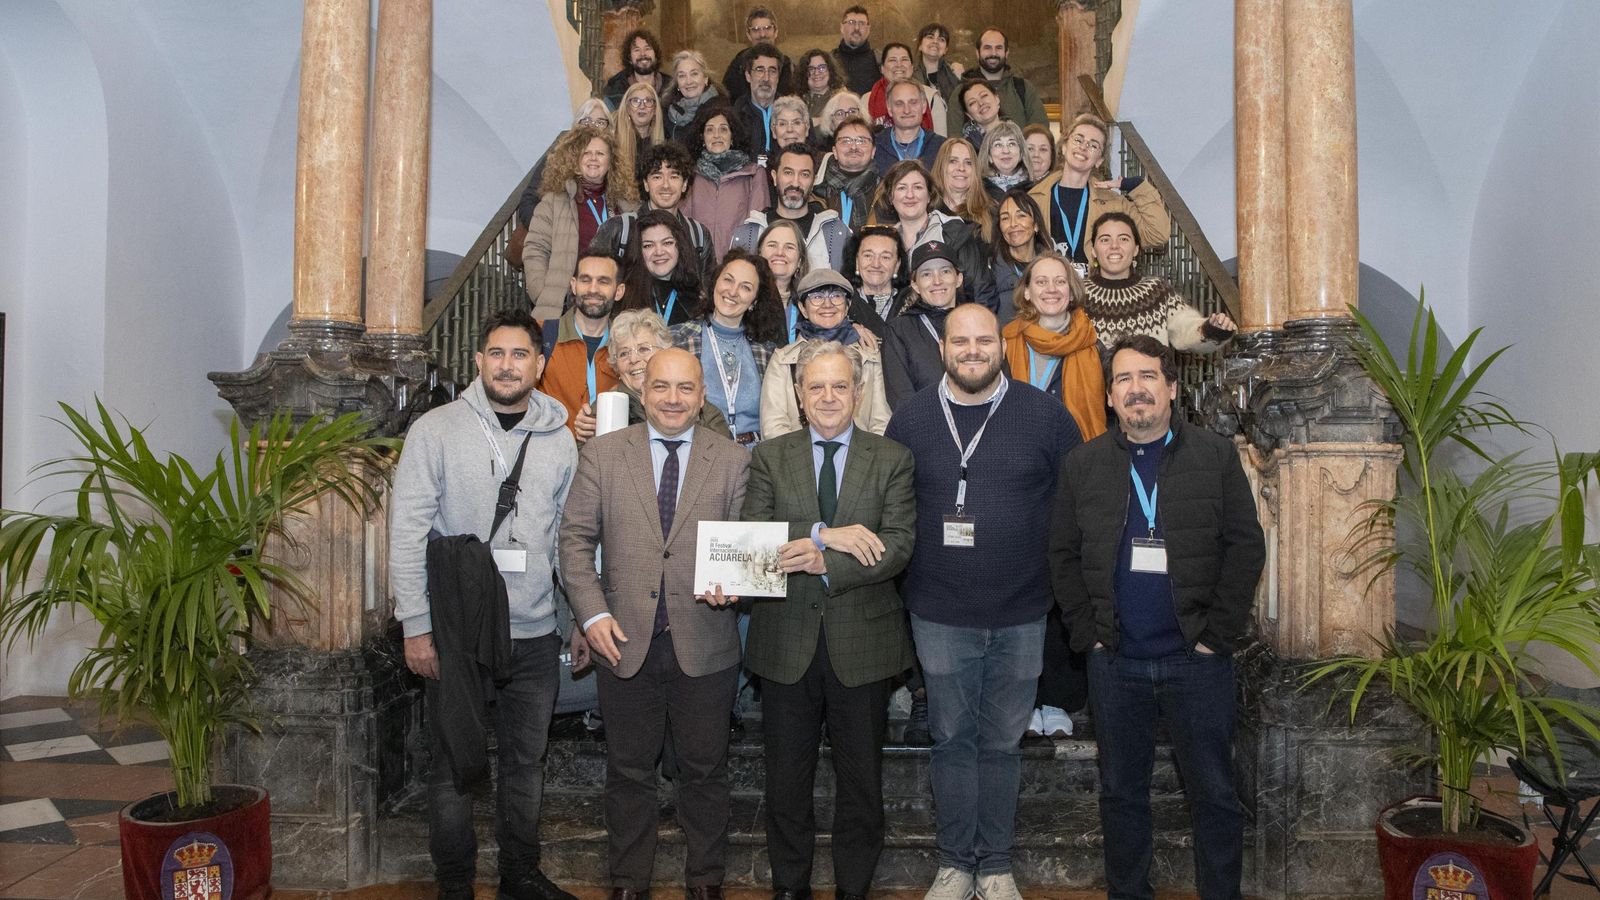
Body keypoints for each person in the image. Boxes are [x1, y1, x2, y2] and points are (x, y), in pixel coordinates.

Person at [1049, 334, 1265, 900]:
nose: (1136, 389)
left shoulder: (1214, 456)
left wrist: (1216, 637)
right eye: (1123, 379)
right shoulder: (1083, 464)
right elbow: (1063, 555)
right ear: (1109, 397)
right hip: (1115, 662)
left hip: (1197, 661)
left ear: (1171, 388)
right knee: (1121, 794)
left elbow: (1245, 547)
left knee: (1215, 794)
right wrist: (1089, 636)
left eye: (1148, 376)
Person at [883, 304, 1081, 900]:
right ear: (943, 349)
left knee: (1001, 743)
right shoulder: (911, 419)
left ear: (1002, 345)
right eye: (961, 341)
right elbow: (894, 513)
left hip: (1022, 612)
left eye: (984, 340)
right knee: (951, 741)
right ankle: (954, 865)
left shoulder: (1047, 417)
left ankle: (993, 866)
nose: (973, 350)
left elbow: (1072, 513)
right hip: (939, 612)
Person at [390, 309, 581, 900]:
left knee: (527, 763)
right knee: (454, 764)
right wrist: (416, 626)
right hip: (458, 632)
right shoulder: (436, 430)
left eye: (520, 354)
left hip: (534, 632)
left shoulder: (561, 439)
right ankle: (455, 883)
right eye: (496, 353)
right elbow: (407, 532)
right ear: (478, 361)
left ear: (539, 365)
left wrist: (577, 618)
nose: (507, 365)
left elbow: (567, 539)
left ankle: (519, 875)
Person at [558, 348, 751, 900]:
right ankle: (628, 884)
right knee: (628, 771)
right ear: (642, 392)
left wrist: (739, 581)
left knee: (706, 772)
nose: (672, 398)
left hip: (706, 640)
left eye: (685, 388)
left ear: (702, 396)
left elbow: (746, 542)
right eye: (661, 386)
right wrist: (592, 613)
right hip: (622, 639)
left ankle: (706, 882)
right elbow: (574, 541)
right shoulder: (603, 454)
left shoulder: (733, 460)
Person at [741, 339, 916, 900]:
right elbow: (755, 538)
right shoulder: (769, 456)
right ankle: (789, 888)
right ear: (798, 393)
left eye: (840, 385)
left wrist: (822, 561)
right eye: (816, 386)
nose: (828, 397)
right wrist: (825, 534)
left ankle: (852, 889)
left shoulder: (892, 458)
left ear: (859, 392)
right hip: (784, 641)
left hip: (864, 644)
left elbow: (897, 545)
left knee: (861, 783)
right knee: (785, 782)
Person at [522, 127, 640, 320]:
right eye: (586, 153)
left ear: (611, 162)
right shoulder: (553, 201)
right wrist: (543, 293)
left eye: (600, 153)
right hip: (563, 308)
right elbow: (535, 249)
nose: (593, 158)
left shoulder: (629, 206)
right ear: (575, 161)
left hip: (617, 310)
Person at [672, 250, 786, 447]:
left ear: (754, 301)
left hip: (755, 455)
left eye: (745, 287)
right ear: (715, 282)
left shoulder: (767, 353)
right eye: (728, 280)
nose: (733, 292)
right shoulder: (676, 339)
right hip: (697, 451)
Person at [760, 269, 892, 438]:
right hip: (795, 453)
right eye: (817, 297)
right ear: (803, 308)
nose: (827, 304)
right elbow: (773, 427)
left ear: (847, 307)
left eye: (836, 296)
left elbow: (882, 423)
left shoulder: (870, 356)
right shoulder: (783, 360)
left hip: (861, 453)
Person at [1084, 211, 1237, 352]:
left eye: (1124, 239)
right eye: (1105, 240)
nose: (1114, 246)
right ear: (1093, 250)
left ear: (1136, 249)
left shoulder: (1156, 291)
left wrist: (1210, 329)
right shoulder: (1077, 294)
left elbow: (1185, 326)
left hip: (1150, 374)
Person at [1029, 113, 1171, 265]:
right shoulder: (1033, 199)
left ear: (1099, 160)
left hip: (1095, 280)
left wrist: (1136, 185)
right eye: (1078, 140)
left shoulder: (1114, 204)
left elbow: (1157, 234)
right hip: (1050, 279)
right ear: (1064, 147)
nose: (1083, 147)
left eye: (1093, 145)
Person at [869, 161, 995, 314]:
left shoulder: (956, 234)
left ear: (929, 195)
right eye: (902, 188)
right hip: (896, 326)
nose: (910, 195)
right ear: (890, 197)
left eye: (918, 187)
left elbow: (982, 292)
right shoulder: (882, 243)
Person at [586, 308, 729, 435]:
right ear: (616, 365)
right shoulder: (603, 410)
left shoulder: (699, 406)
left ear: (665, 352)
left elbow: (724, 452)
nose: (634, 359)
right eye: (624, 353)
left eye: (643, 349)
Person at [589, 141, 717, 282]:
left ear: (685, 184)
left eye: (674, 176)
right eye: (657, 177)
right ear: (645, 184)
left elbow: (707, 290)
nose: (666, 185)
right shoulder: (618, 229)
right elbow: (591, 280)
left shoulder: (698, 235)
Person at [539, 252, 626, 438]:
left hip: (609, 452)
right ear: (573, 285)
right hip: (552, 452)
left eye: (603, 281)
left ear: (619, 291)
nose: (593, 289)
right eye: (585, 280)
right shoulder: (540, 335)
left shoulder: (629, 347)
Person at [729, 144, 849, 272]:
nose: (795, 182)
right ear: (774, 177)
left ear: (814, 180)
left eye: (804, 174)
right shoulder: (748, 234)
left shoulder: (835, 233)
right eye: (788, 173)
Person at [882, 240, 966, 410]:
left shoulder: (980, 323)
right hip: (926, 424)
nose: (937, 281)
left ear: (959, 279)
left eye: (945, 271)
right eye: (926, 274)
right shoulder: (900, 330)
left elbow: (1001, 384)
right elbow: (901, 399)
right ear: (915, 285)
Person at [680, 100, 768, 258]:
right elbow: (683, 226)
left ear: (732, 137)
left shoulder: (754, 174)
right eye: (710, 130)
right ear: (702, 138)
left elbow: (756, 229)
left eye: (723, 129)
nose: (716, 135)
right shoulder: (690, 176)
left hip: (739, 262)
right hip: (697, 263)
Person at [944, 29, 1048, 137]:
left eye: (998, 48)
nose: (993, 53)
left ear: (1006, 53)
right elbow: (955, 139)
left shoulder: (1024, 88)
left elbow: (1040, 134)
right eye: (987, 48)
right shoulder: (960, 92)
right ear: (977, 53)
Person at [617, 209, 704, 328]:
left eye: (667, 243)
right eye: (648, 245)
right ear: (638, 251)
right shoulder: (622, 296)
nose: (659, 252)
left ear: (680, 246)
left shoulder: (698, 297)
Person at [989, 189, 1054, 322]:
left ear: (1036, 225)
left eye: (1021, 216)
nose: (1013, 224)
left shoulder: (1054, 267)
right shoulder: (989, 269)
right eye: (1005, 218)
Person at [815, 116, 880, 233]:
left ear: (873, 151)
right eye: (845, 141)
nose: (853, 147)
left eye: (861, 141)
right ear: (834, 151)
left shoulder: (886, 191)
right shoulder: (817, 190)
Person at [842, 224, 909, 339]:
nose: (876, 264)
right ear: (857, 261)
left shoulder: (912, 303)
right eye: (868, 255)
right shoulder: (839, 303)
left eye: (885, 257)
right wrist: (846, 329)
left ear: (897, 265)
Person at [723, 7, 794, 106]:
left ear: (776, 32)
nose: (762, 34)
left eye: (767, 28)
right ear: (748, 35)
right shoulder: (738, 64)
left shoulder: (787, 66)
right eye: (756, 30)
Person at [866, 43, 942, 135]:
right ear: (882, 68)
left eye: (904, 59)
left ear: (912, 67)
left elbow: (942, 141)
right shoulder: (867, 99)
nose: (899, 65)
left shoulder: (931, 97)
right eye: (892, 60)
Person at [755, 219, 812, 341]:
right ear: (759, 253)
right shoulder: (746, 300)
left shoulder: (810, 305)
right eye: (772, 245)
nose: (780, 252)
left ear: (800, 261)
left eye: (789, 247)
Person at [873, 81, 946, 174]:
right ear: (889, 109)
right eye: (899, 104)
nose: (907, 110)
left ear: (924, 106)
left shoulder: (942, 147)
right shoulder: (875, 146)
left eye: (913, 102)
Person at [732, 43, 785, 166]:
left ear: (778, 77)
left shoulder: (792, 111)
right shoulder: (735, 116)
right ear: (748, 76)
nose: (766, 78)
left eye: (772, 71)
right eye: (760, 70)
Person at [931, 138, 991, 239]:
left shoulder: (991, 212)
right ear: (940, 166)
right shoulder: (926, 210)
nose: (961, 168)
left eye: (968, 162)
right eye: (953, 161)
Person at [603, 29, 670, 112]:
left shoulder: (671, 88)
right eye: (637, 50)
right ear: (629, 59)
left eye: (647, 48)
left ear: (655, 55)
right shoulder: (615, 91)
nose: (643, 54)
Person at [613, 81, 664, 190]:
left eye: (648, 101)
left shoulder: (664, 144)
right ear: (627, 108)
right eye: (636, 101)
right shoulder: (614, 142)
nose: (642, 106)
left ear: (655, 109)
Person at [663, 50, 722, 144]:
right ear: (677, 83)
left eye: (694, 74)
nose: (688, 81)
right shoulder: (667, 112)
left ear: (705, 78)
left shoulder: (720, 110)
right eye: (682, 76)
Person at [978, 121, 1032, 202]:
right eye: (998, 145)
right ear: (989, 156)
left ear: (1021, 153)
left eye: (1011, 144)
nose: (1006, 151)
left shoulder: (1034, 188)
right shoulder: (977, 190)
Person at [833, 5, 877, 96]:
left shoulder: (880, 61)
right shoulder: (829, 60)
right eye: (851, 22)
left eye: (862, 23)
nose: (856, 28)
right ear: (841, 27)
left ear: (868, 29)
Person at [914, 23, 964, 98]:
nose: (935, 42)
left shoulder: (954, 73)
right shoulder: (910, 75)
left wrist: (961, 79)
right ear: (920, 45)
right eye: (930, 37)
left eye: (941, 39)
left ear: (945, 50)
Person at [798, 49, 845, 125]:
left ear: (830, 71)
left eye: (822, 68)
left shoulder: (840, 100)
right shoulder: (796, 101)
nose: (816, 73)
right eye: (811, 69)